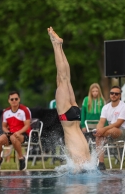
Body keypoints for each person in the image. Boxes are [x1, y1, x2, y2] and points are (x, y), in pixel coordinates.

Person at [47, 27, 90, 170]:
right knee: (64, 79)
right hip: (68, 118)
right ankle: (56, 45)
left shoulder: (87, 158)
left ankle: (58, 45)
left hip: (75, 116)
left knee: (65, 79)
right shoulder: (82, 160)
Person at [0, 91, 31, 171]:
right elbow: (3, 126)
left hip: (23, 134)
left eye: (16, 99)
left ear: (19, 99)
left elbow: (27, 126)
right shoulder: (6, 112)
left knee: (14, 137)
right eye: (12, 99)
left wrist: (18, 132)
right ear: (9, 101)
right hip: (11, 134)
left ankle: (21, 158)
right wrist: (7, 131)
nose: (14, 100)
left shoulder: (24, 110)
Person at [95, 85, 125, 170]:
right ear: (109, 94)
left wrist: (103, 130)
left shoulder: (124, 107)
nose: (114, 95)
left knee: (110, 130)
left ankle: (94, 134)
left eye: (116, 94)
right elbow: (101, 122)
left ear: (120, 95)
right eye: (112, 93)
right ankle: (101, 164)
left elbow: (118, 124)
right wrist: (98, 129)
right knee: (99, 136)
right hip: (109, 132)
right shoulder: (106, 107)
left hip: (122, 132)